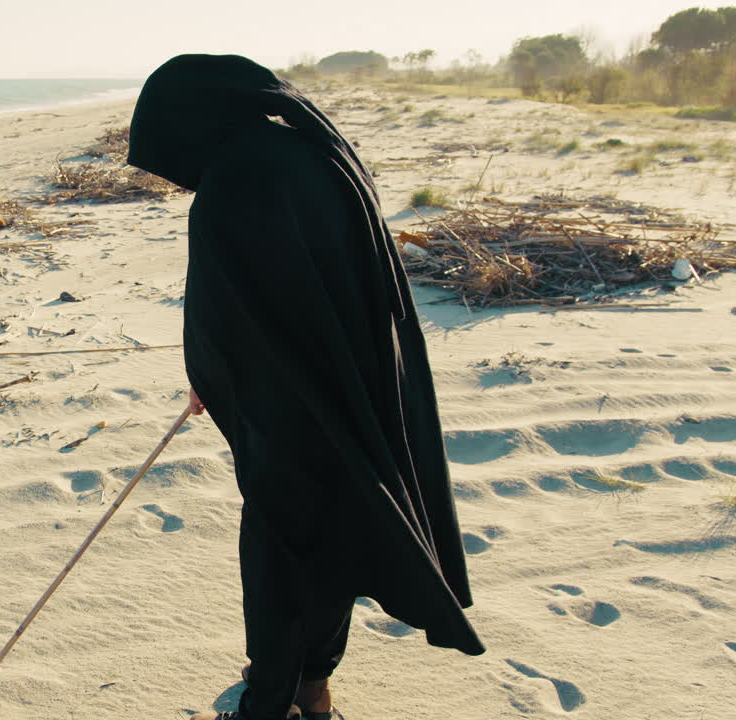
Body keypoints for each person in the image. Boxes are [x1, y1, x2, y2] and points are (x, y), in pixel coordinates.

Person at [126, 54, 485, 720]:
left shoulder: (235, 182)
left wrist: (209, 380)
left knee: (282, 548)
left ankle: (272, 701)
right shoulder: (316, 151)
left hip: (288, 405)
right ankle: (312, 686)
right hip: (358, 380)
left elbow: (225, 315)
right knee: (336, 530)